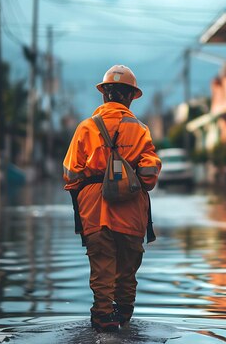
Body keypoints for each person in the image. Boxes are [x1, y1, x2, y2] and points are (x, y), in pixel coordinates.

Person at [62, 65, 161, 333]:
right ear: (130, 97)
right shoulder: (140, 130)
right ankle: (125, 318)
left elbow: (70, 174)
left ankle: (103, 317)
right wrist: (128, 179)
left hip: (94, 209)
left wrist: (91, 187)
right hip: (131, 210)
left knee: (102, 267)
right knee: (127, 272)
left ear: (104, 94)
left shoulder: (86, 128)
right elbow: (150, 177)